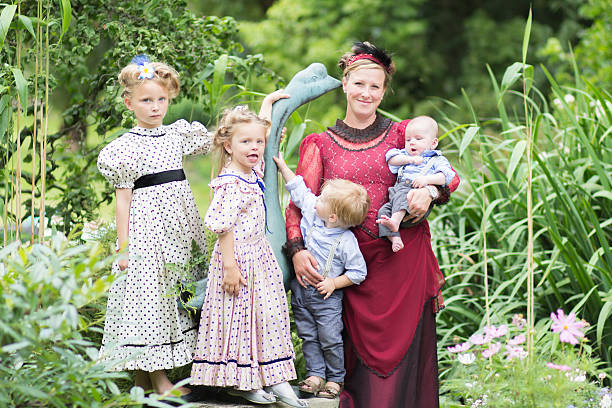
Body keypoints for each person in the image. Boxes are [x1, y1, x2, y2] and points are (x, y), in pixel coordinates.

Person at [283, 41, 460, 408]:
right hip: (345, 269)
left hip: (402, 264)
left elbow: (448, 176)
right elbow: (298, 205)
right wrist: (298, 250)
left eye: (375, 86)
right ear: (345, 83)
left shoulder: (403, 135)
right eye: (359, 84)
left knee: (402, 374)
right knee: (350, 368)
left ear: (384, 91)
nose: (367, 93)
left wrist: (429, 193)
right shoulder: (320, 144)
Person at [97, 55, 212, 399]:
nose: (155, 106)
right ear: (130, 102)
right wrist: (123, 246)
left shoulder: (177, 135)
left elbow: (220, 140)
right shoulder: (124, 149)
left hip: (179, 230)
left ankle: (142, 381)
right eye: (147, 100)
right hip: (147, 232)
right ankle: (158, 380)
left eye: (161, 99)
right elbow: (123, 200)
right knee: (147, 299)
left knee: (176, 296)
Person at [190, 104, 307, 408]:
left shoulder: (252, 171)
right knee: (239, 320)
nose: (254, 147)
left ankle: (277, 379)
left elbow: (262, 130)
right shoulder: (231, 181)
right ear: (228, 146)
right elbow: (222, 226)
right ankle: (242, 382)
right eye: (245, 142)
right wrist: (229, 266)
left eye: (258, 142)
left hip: (259, 256)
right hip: (237, 260)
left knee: (268, 317)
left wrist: (267, 106)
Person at [273, 151, 370, 399]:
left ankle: (335, 378)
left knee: (329, 337)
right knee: (307, 334)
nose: (317, 199)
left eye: (323, 199)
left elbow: (359, 272)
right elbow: (298, 189)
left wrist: (334, 283)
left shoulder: (346, 241)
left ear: (334, 216)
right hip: (301, 291)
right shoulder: (314, 212)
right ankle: (315, 374)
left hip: (326, 298)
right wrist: (283, 166)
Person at [376, 115, 455, 252]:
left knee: (404, 196)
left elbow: (446, 177)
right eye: (408, 140)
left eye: (418, 139)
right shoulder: (406, 156)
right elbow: (391, 159)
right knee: (383, 212)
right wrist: (409, 160)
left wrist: (428, 182)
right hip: (396, 194)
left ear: (433, 143)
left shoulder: (436, 160)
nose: (412, 142)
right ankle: (395, 238)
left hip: (414, 194)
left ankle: (395, 221)